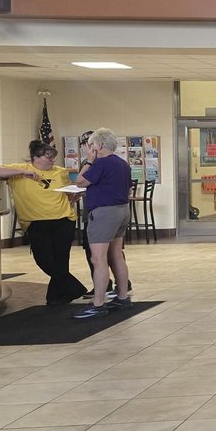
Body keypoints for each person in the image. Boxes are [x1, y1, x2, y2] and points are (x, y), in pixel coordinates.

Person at [0, 140, 87, 306]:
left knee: (60, 260)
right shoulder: (21, 171)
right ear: (35, 157)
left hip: (63, 219)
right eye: (48, 157)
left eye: (53, 157)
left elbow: (68, 196)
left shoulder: (61, 172)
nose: (52, 160)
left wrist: (75, 195)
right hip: (36, 222)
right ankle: (75, 287)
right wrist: (22, 173)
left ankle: (56, 298)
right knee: (43, 259)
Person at [73, 128, 133, 319]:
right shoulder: (122, 163)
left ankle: (98, 304)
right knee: (117, 255)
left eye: (91, 146)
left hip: (104, 213)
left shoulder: (100, 163)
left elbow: (80, 182)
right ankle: (123, 297)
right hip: (122, 210)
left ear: (98, 146)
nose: (89, 149)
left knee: (98, 259)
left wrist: (89, 161)